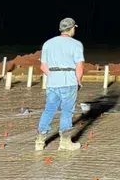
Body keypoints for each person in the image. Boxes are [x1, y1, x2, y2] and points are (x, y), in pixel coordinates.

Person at [36, 17, 85, 151]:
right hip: (69, 81)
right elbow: (79, 66)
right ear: (72, 28)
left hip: (52, 82)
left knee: (49, 109)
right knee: (67, 111)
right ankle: (65, 142)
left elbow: (43, 66)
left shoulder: (48, 43)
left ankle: (39, 142)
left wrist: (53, 76)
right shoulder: (76, 44)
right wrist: (78, 80)